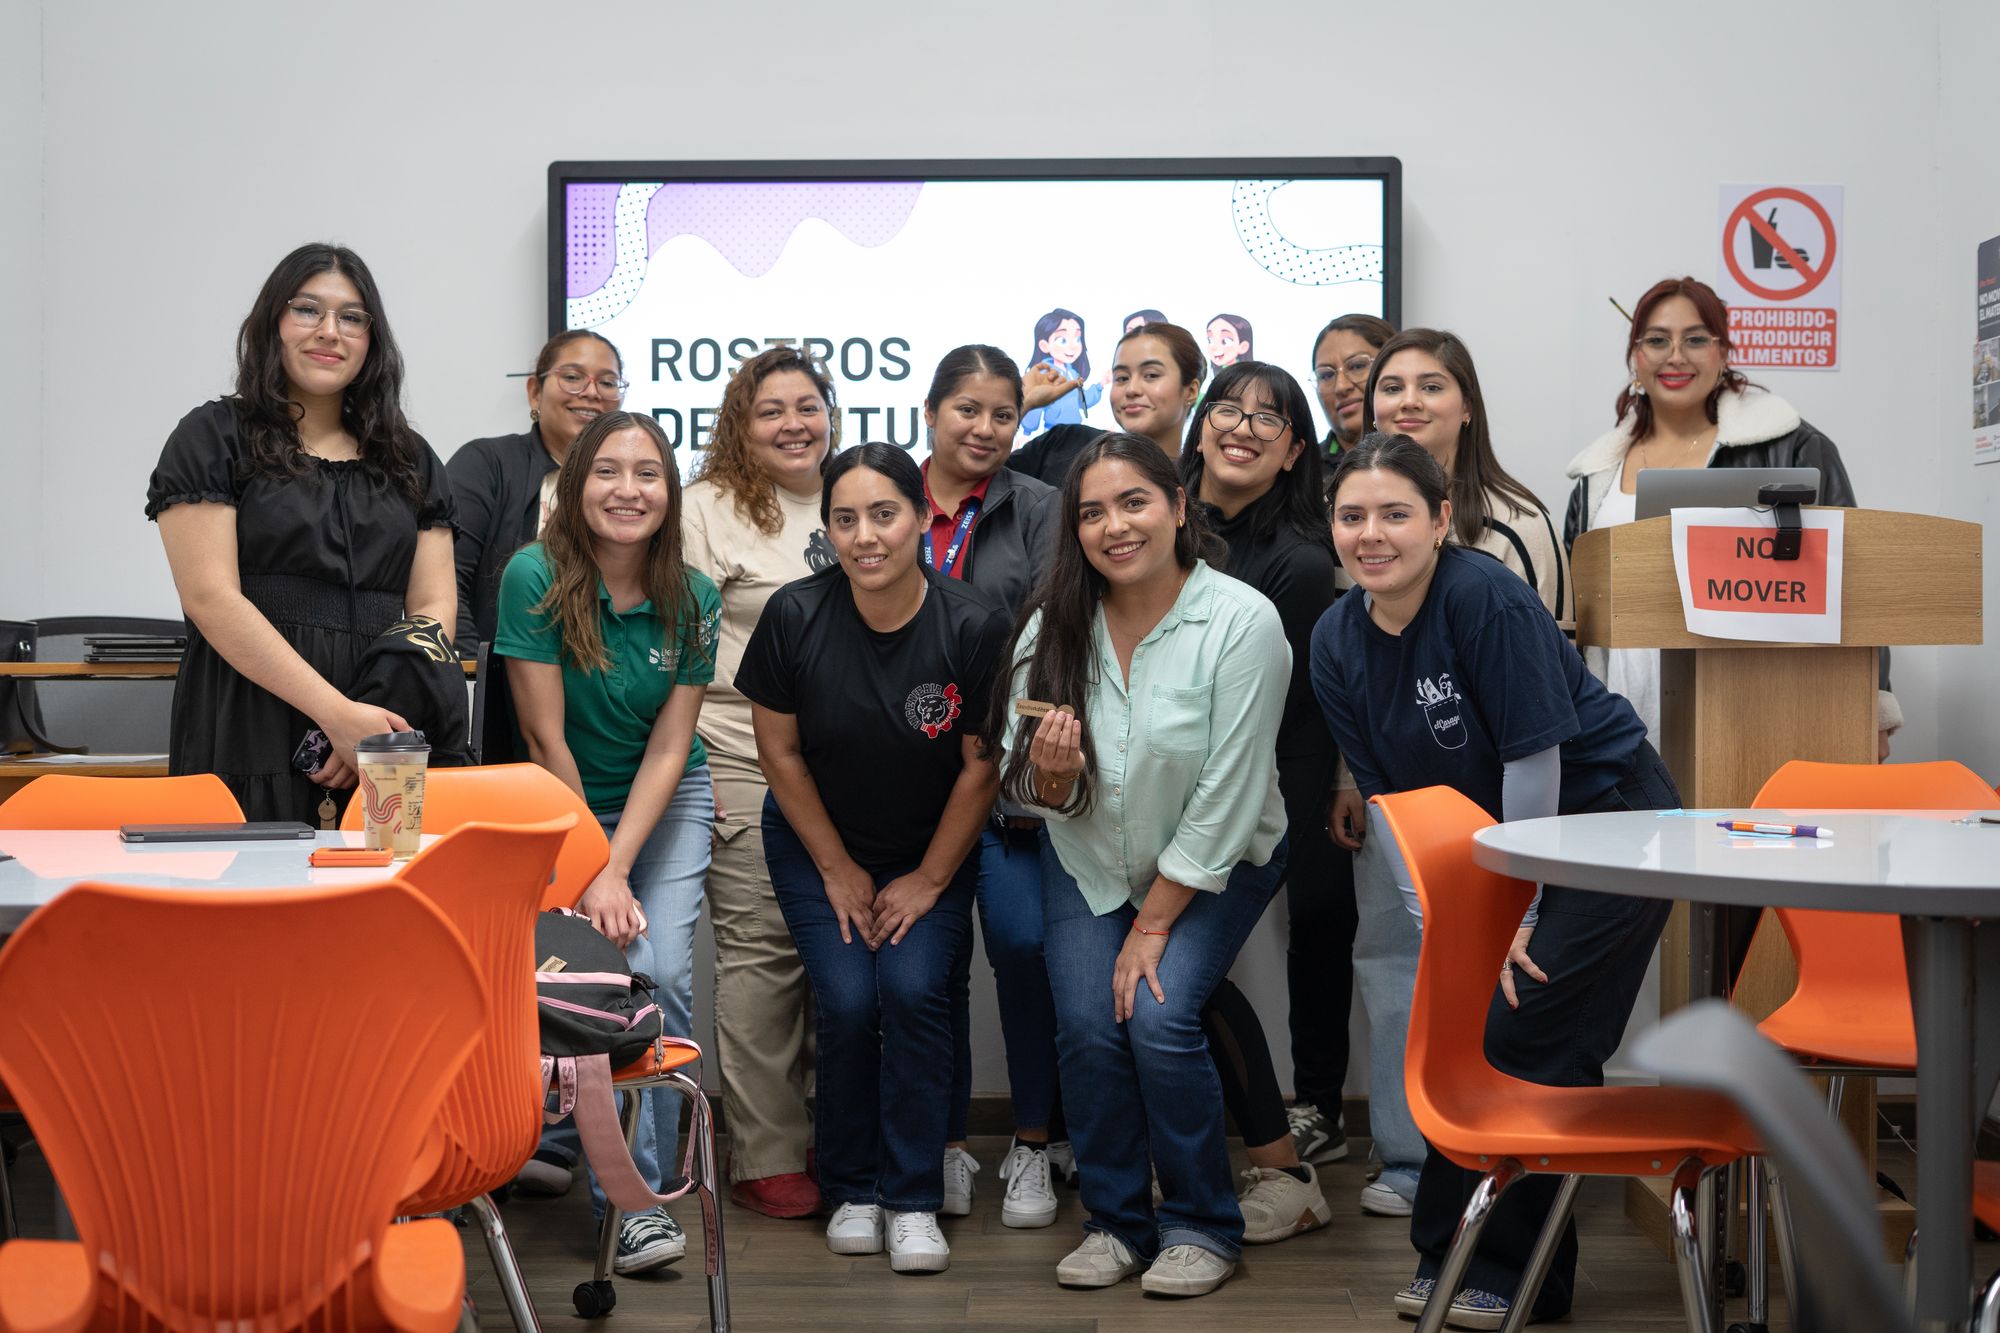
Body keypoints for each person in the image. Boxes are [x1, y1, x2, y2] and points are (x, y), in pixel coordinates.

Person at [1310, 434, 1678, 1328]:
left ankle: (1502, 1269)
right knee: (1472, 1027)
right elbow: (1398, 807)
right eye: (1352, 515)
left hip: (1604, 824)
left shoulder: (1484, 598)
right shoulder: (1334, 639)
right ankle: (1460, 1252)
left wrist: (1520, 906)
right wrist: (1446, 919)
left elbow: (1534, 766)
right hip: (1500, 845)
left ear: (1440, 519)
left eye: (1395, 513)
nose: (1372, 534)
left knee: (1528, 1027)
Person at [992, 434, 1289, 1298]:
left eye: (1134, 503)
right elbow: (1028, 781)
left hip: (1217, 860)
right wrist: (1049, 777)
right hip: (1089, 861)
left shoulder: (1240, 620)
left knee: (1157, 1017)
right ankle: (1119, 1222)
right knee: (1087, 1024)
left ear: (1179, 506)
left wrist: (1152, 924)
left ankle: (1200, 1223)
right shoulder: (1054, 624)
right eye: (1092, 512)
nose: (1114, 526)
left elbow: (1230, 797)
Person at [738, 444, 1011, 1275]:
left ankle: (915, 1195)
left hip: (931, 847)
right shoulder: (795, 614)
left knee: (916, 989)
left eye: (884, 514)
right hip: (818, 843)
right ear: (827, 529)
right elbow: (778, 754)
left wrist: (929, 878)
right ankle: (855, 1186)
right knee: (852, 1000)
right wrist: (835, 868)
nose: (865, 536)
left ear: (918, 518)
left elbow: (980, 764)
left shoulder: (973, 622)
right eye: (845, 518)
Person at [494, 410, 721, 1275]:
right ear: (576, 482)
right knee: (609, 974)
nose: (628, 489)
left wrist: (617, 868)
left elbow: (672, 747)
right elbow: (546, 739)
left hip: (668, 798)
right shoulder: (533, 575)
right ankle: (631, 1202)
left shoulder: (693, 595)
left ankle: (651, 1194)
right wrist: (592, 866)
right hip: (560, 798)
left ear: (670, 494)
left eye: (649, 474)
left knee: (656, 968)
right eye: (608, 471)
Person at [147, 243, 455, 826]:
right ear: (272, 323)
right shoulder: (213, 437)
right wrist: (335, 714)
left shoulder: (412, 458)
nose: (330, 331)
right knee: (245, 905)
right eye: (308, 309)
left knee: (384, 900)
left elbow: (435, 605)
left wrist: (372, 718)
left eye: (352, 317)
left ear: (372, 340)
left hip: (387, 727)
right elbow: (210, 598)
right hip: (249, 713)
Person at [1561, 275, 1896, 756]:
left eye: (1695, 339)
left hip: (1752, 701)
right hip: (1619, 707)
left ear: (1723, 353)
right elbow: (1577, 612)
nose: (1675, 356)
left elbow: (1854, 581)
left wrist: (1872, 705)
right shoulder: (1596, 473)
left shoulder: (1791, 445)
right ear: (1635, 357)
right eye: (1657, 340)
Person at [1179, 361, 1344, 1242]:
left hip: (1258, 787)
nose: (1243, 427)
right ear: (1200, 426)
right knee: (1175, 981)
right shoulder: (1153, 518)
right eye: (1228, 410)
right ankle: (1220, 1159)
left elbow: (1249, 712)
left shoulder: (1303, 562)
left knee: (1184, 976)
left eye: (1268, 420)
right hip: (1157, 784)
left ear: (1292, 454)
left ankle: (1284, 1169)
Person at [679, 346, 841, 1219]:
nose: (792, 423)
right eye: (770, 409)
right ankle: (765, 1149)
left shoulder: (852, 491)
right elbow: (678, 642)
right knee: (765, 949)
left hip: (848, 768)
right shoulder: (702, 510)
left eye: (807, 405)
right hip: (739, 752)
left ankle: (823, 1129)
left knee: (839, 954)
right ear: (740, 425)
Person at [916, 346, 1073, 1229]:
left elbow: (1059, 631)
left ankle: (1032, 1143)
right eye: (966, 409)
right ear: (932, 409)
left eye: (1002, 415)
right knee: (931, 963)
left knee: (1022, 948)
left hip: (1011, 776)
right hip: (915, 774)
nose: (983, 428)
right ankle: (943, 1145)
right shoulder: (888, 495)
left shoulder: (1043, 507)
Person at [1364, 328, 1572, 622]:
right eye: (1392, 388)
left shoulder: (1522, 526)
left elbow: (1553, 660)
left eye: (1431, 387)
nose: (1408, 401)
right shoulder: (1346, 524)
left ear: (1467, 408)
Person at [448, 331, 627, 661]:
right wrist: (480, 677)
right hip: (497, 683)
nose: (591, 393)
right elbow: (446, 582)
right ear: (534, 392)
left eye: (607, 382)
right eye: (572, 377)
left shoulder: (632, 490)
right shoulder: (487, 464)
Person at [1008, 321, 1206, 486]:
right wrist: (1022, 403)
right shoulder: (1064, 445)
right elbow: (983, 485)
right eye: (1121, 378)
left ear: (1191, 391)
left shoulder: (1204, 484)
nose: (1132, 389)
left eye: (1151, 375)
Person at [1310, 313, 1396, 459]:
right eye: (1326, 375)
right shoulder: (1303, 473)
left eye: (1357, 366)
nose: (1341, 387)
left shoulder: (1428, 459)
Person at [1019, 308, 1102, 435]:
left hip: (1075, 431)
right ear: (1044, 345)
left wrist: (1099, 386)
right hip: (1054, 433)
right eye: (1062, 340)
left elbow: (1081, 401)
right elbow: (1035, 404)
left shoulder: (1073, 373)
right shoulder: (1043, 373)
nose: (1072, 346)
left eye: (1077, 339)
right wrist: (1027, 432)